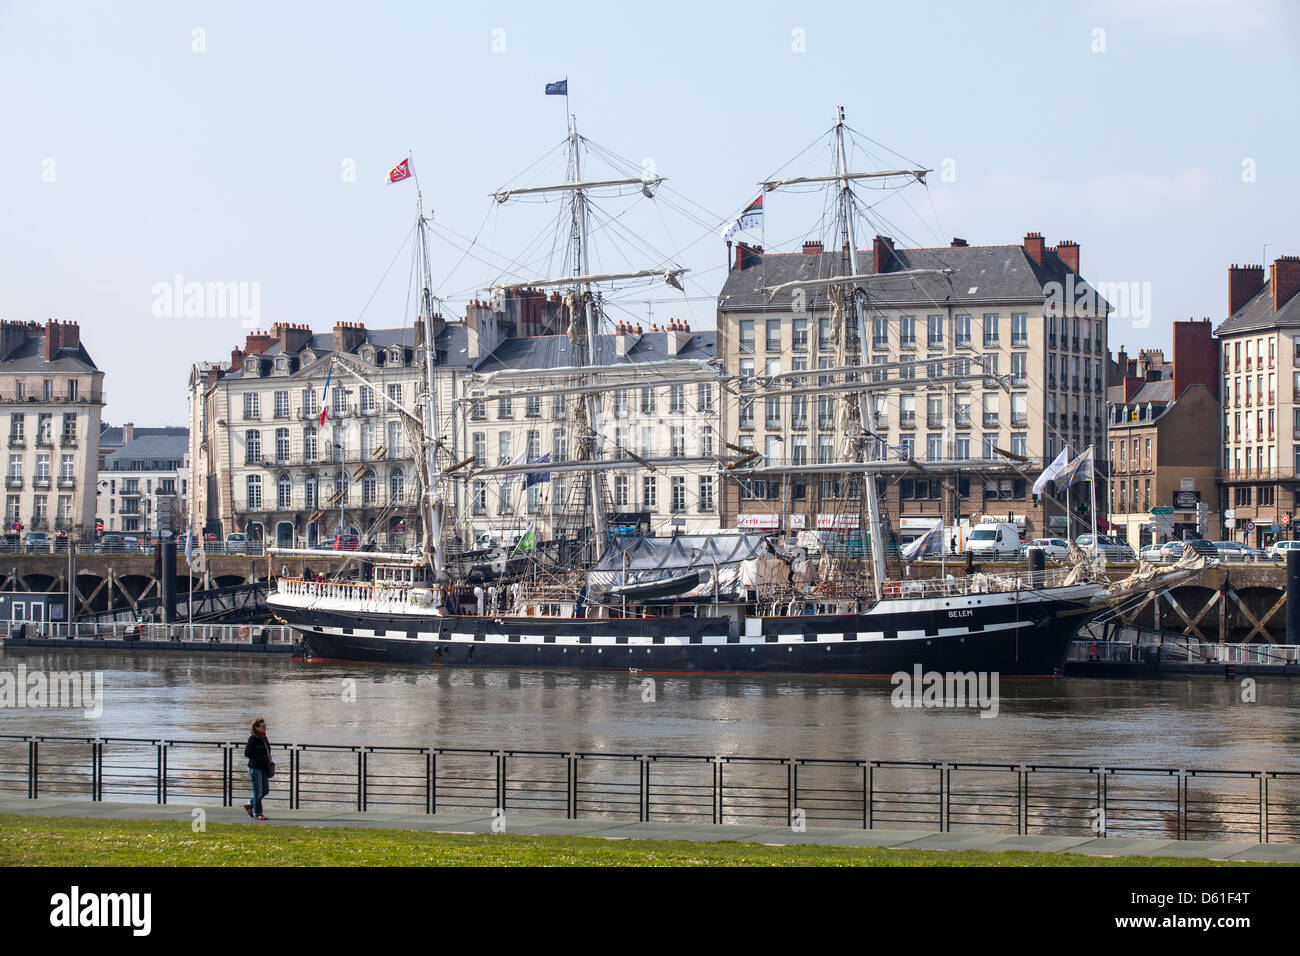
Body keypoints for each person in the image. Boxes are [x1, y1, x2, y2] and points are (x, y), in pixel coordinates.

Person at [243, 717, 273, 820]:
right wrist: (259, 757)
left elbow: (267, 750)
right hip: (255, 767)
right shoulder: (253, 738)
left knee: (265, 790)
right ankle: (258, 813)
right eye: (262, 726)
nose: (265, 728)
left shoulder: (264, 738)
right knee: (258, 791)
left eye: (265, 726)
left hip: (263, 767)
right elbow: (247, 753)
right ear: (256, 727)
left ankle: (249, 803)